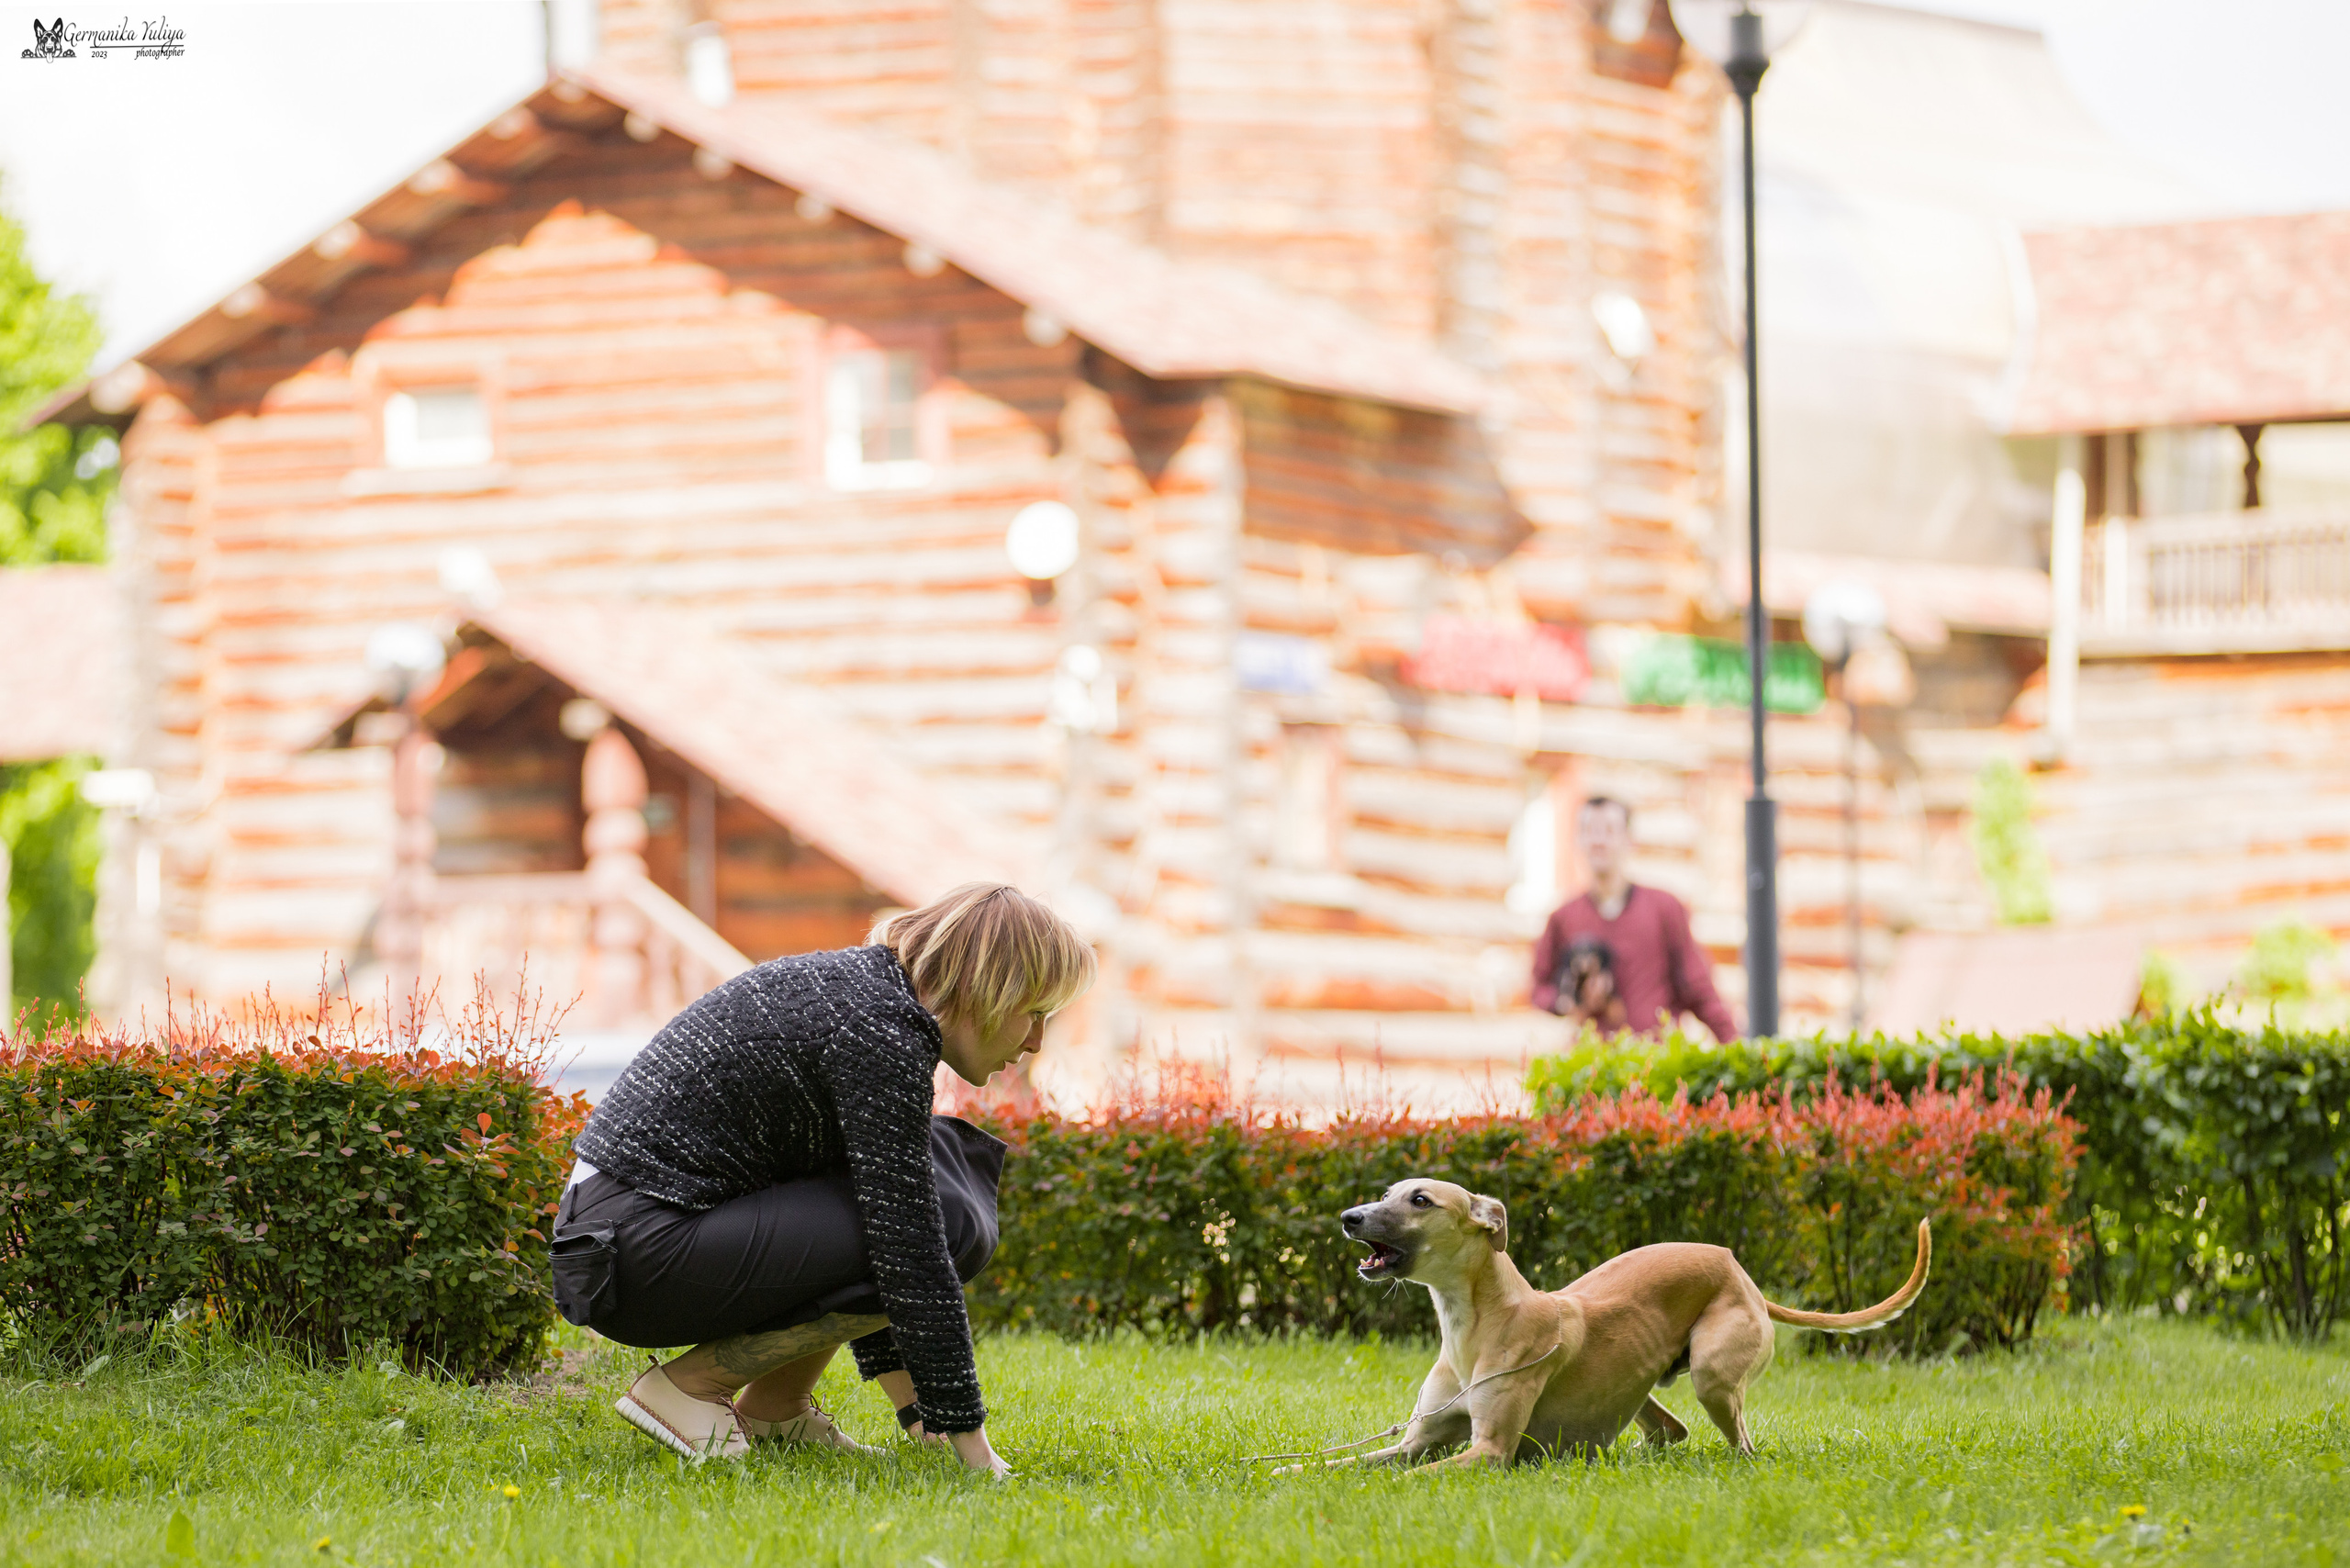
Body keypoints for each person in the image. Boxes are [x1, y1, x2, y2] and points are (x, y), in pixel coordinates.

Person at [550, 881, 1096, 1471]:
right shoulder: (877, 1029)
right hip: (634, 1253)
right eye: (1033, 1014)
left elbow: (867, 1233)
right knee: (945, 1215)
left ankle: (775, 1410)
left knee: (942, 1166)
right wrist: (969, 1444)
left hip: (625, 1242)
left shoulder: (868, 1000)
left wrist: (922, 1420)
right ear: (990, 989)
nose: (1037, 1042)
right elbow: (905, 1249)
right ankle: (689, 1387)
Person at [1528, 796, 1740, 1041]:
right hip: (1593, 1067)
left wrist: (1734, 1044)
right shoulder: (1563, 917)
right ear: (1578, 841)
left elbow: (1698, 988)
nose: (1598, 841)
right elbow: (1539, 988)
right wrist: (1569, 1001)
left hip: (1655, 1065)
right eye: (1589, 831)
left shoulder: (1665, 908)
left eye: (1609, 831)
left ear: (1630, 841)